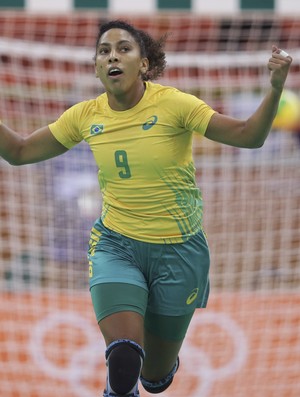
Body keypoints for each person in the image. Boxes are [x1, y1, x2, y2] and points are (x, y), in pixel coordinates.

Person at [0, 19, 292, 397]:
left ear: (144, 64)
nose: (112, 57)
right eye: (104, 51)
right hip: (116, 245)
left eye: (124, 48)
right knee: (123, 359)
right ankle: (119, 383)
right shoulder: (86, 115)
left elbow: (249, 137)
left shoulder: (174, 104)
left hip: (180, 253)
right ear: (96, 67)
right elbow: (19, 152)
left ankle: (158, 369)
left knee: (154, 379)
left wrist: (275, 88)